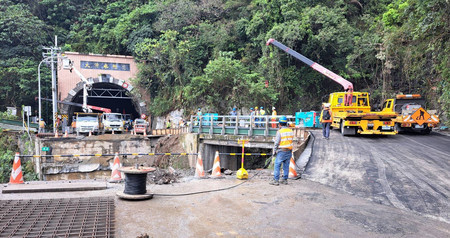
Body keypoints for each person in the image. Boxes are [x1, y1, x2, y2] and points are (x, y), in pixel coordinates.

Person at [270, 116, 294, 186]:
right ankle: (285, 180)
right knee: (286, 166)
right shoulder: (291, 131)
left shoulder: (279, 132)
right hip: (289, 151)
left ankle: (276, 180)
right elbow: (291, 141)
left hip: (281, 151)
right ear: (286, 123)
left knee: (277, 165)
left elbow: (276, 143)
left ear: (279, 124)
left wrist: (274, 152)